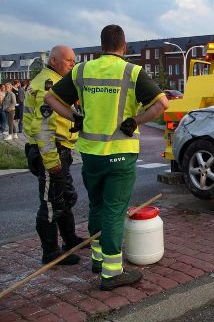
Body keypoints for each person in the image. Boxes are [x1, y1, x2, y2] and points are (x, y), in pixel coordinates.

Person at [44, 24, 169, 291]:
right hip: (120, 155)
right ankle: (112, 273)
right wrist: (135, 120)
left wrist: (75, 117)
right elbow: (162, 104)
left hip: (90, 153)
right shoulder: (132, 72)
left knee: (97, 206)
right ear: (124, 47)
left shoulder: (81, 70)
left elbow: (51, 98)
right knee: (114, 210)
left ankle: (98, 260)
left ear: (102, 45)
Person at [23, 45, 85, 265]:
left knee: (66, 197)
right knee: (51, 203)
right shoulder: (48, 86)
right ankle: (50, 252)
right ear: (54, 60)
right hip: (51, 151)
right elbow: (43, 127)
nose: (73, 65)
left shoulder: (53, 81)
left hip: (59, 149)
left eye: (74, 61)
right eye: (69, 61)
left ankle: (70, 240)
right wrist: (51, 161)